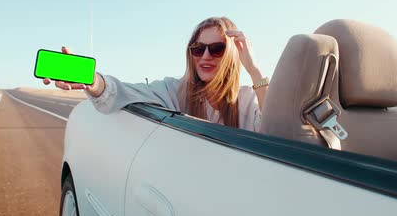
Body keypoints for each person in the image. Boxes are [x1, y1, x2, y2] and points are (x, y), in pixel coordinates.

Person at [43, 17, 269, 132]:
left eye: (217, 49)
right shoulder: (174, 91)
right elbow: (122, 92)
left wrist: (254, 69)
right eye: (198, 49)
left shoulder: (247, 100)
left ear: (232, 54)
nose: (205, 56)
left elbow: (280, 132)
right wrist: (91, 80)